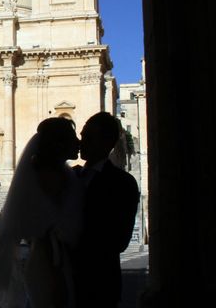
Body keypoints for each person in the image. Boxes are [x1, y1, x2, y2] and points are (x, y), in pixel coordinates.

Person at [0, 117, 83, 308]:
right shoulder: (54, 178)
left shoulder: (59, 174)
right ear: (59, 143)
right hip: (50, 262)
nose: (78, 141)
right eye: (72, 136)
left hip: (47, 258)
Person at [73, 112, 140, 308]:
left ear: (107, 142)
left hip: (98, 286)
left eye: (88, 137)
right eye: (82, 135)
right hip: (64, 285)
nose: (81, 142)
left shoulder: (123, 183)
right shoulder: (73, 176)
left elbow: (119, 241)